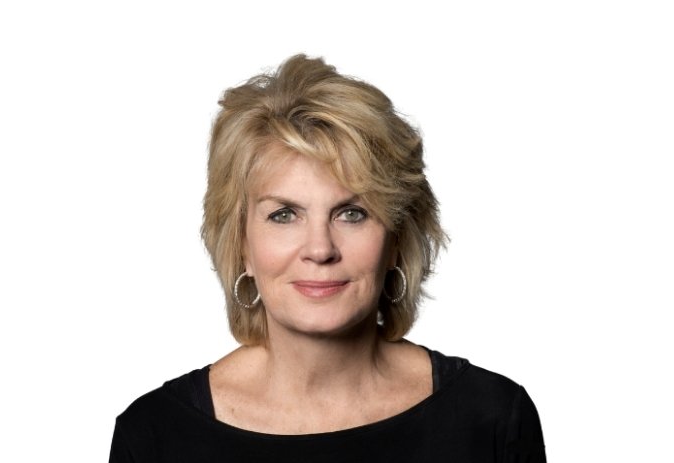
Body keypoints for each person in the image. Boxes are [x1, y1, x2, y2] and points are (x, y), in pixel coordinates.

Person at [108, 54, 546, 462]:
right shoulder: (153, 436)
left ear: (395, 238)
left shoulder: (492, 419)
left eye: (352, 213)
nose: (320, 249)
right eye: (284, 215)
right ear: (241, 244)